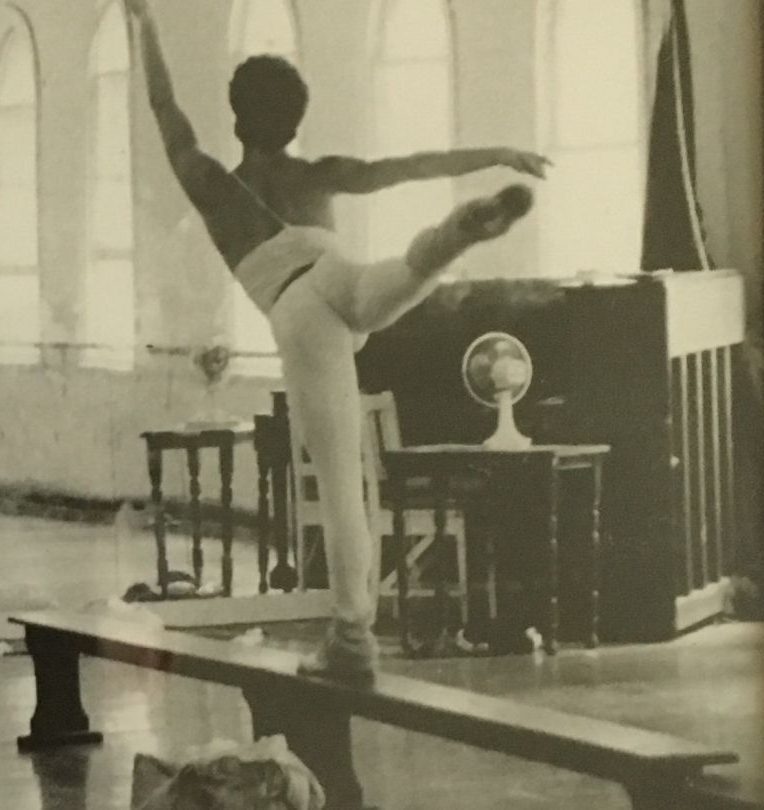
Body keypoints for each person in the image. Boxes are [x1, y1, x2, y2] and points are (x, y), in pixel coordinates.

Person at [123, 0, 548, 683]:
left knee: (344, 478)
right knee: (402, 275)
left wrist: (142, 24)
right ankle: (454, 236)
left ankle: (352, 639)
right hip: (343, 276)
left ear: (237, 120)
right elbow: (408, 165)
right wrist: (496, 153)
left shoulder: (211, 182)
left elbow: (165, 109)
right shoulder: (317, 172)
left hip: (299, 309)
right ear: (295, 121)